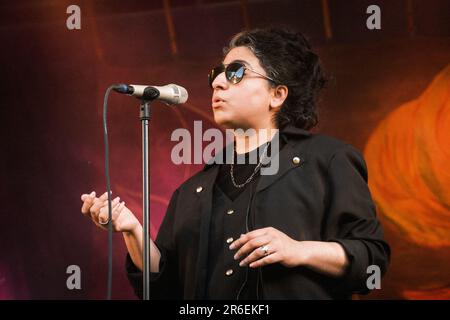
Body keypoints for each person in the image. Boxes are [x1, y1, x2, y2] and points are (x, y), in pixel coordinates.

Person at [80, 28, 390, 300]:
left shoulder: (328, 159)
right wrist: (132, 230)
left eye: (236, 72)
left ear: (277, 94)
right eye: (217, 73)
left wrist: (298, 250)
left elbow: (372, 261)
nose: (218, 83)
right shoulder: (193, 190)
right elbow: (164, 288)